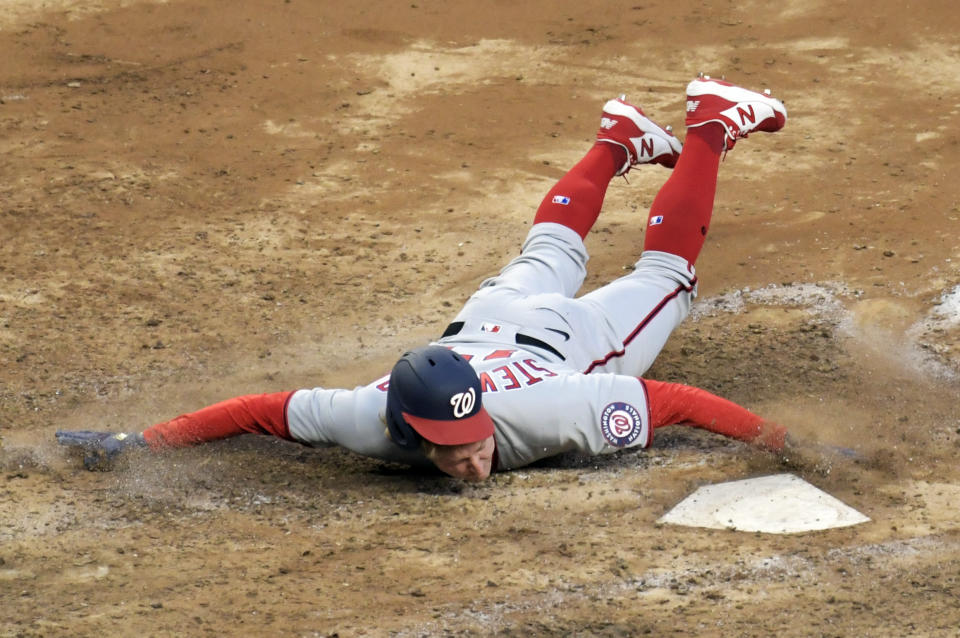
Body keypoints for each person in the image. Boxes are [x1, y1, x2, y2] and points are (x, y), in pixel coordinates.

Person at [57, 74, 790, 481]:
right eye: (454, 449)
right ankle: (617, 140)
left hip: (564, 342)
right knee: (552, 248)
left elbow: (671, 401)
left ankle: (710, 127)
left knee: (665, 272)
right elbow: (259, 411)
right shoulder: (365, 420)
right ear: (407, 428)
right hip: (487, 318)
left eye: (472, 441)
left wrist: (783, 443)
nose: (473, 460)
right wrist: (142, 444)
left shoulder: (548, 412)